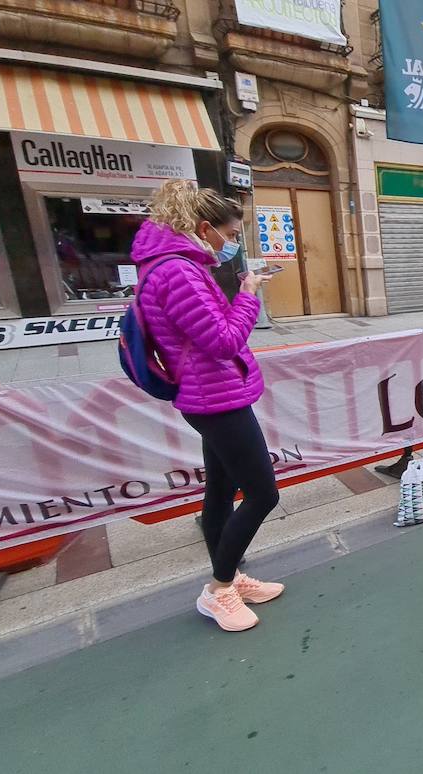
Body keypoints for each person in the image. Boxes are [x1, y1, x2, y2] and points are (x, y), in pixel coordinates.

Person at [132, 180, 282, 633]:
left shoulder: (172, 265)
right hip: (214, 397)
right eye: (231, 233)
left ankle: (231, 578)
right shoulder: (177, 272)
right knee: (262, 494)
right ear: (204, 228)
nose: (233, 242)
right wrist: (250, 294)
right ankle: (218, 590)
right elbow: (222, 340)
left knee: (219, 489)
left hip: (210, 394)